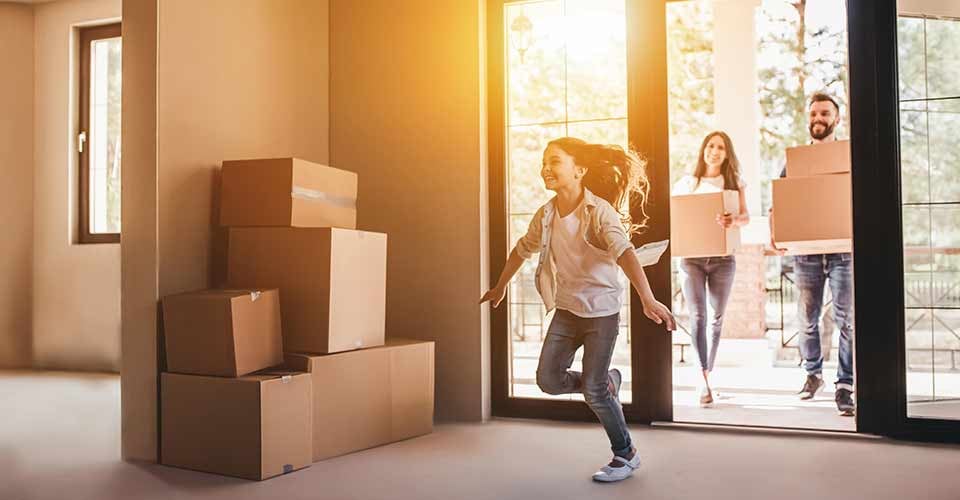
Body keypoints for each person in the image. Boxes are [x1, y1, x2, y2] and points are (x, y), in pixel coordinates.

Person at [479, 137, 676, 483]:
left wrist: (646, 298)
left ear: (579, 170)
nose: (546, 167)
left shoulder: (599, 211)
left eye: (555, 161)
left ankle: (625, 453)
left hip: (602, 312)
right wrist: (500, 287)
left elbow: (625, 253)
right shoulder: (546, 214)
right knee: (548, 380)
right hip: (568, 311)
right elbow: (521, 250)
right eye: (544, 161)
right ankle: (603, 383)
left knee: (594, 392)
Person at [769, 92, 855, 417]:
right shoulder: (795, 161)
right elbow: (779, 201)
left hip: (842, 250)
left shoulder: (847, 157)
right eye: (814, 113)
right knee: (807, 319)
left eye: (825, 113)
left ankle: (845, 385)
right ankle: (813, 374)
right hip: (805, 253)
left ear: (836, 119)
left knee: (848, 321)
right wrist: (776, 234)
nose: (818, 118)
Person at [672, 131, 750, 407]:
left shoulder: (734, 182)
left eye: (720, 147)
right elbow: (676, 216)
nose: (714, 151)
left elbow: (745, 217)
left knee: (716, 319)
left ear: (727, 154)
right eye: (710, 145)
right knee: (698, 317)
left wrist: (733, 220)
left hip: (722, 259)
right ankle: (701, 377)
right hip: (691, 259)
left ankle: (708, 373)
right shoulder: (687, 183)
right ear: (703, 149)